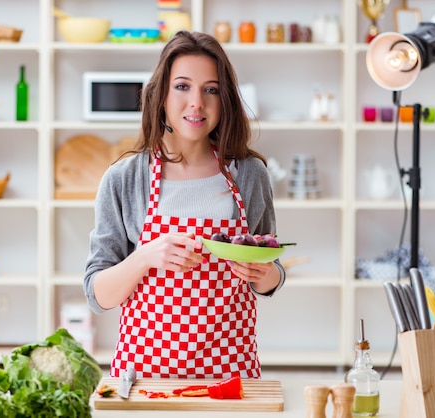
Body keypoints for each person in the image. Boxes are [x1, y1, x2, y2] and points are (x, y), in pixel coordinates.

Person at [83, 30, 285, 379]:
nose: (197, 102)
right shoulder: (124, 178)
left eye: (211, 89)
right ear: (160, 95)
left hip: (229, 373)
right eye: (182, 86)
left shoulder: (250, 174)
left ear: (225, 101)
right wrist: (146, 256)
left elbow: (270, 271)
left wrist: (266, 273)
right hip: (144, 377)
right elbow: (96, 294)